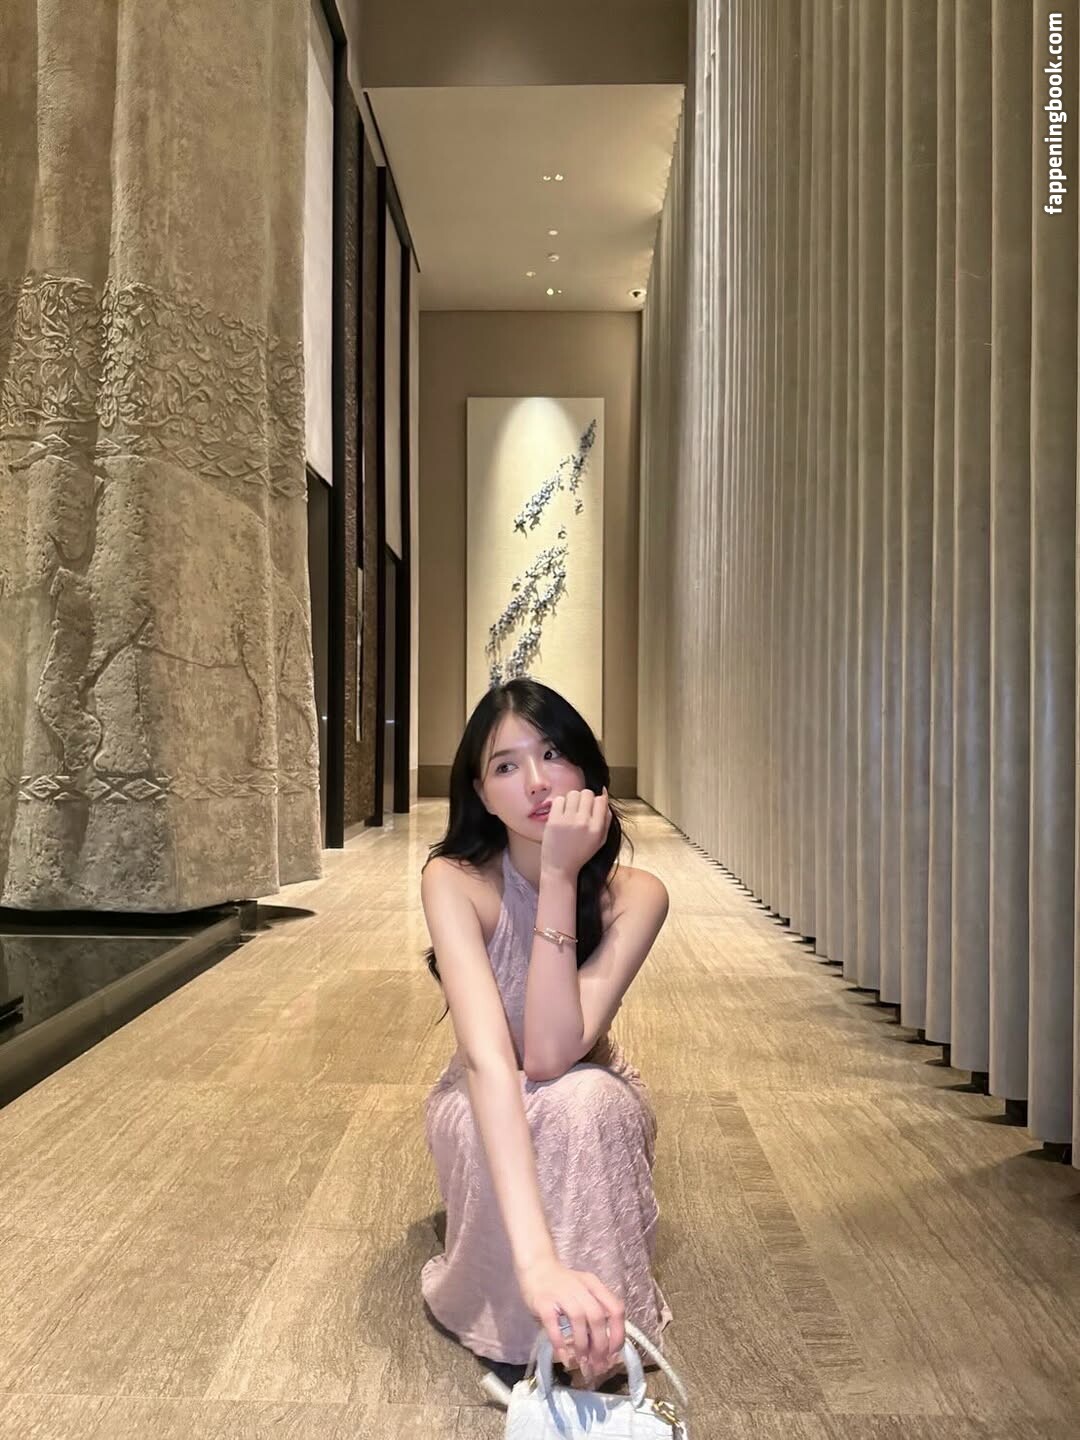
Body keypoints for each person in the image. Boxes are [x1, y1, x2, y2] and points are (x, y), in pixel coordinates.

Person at [418, 676, 673, 1390]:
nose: (535, 781)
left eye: (553, 753)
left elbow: (554, 1054)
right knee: (536, 1110)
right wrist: (537, 1265)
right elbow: (497, 1064)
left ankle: (594, 1340)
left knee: (583, 1102)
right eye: (506, 765)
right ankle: (538, 1304)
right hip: (481, 1089)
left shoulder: (637, 896)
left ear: (588, 771)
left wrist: (559, 878)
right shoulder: (454, 880)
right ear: (482, 793)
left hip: (586, 1085)